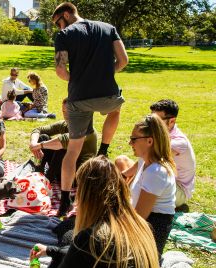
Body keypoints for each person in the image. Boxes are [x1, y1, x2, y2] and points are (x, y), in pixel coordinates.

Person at [52, 2, 128, 216]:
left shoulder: (64, 35)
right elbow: (123, 61)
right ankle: (103, 150)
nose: (59, 27)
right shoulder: (108, 28)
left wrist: (77, 79)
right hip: (108, 95)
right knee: (115, 109)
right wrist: (105, 74)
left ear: (66, 14)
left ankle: (65, 200)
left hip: (78, 98)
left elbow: (60, 70)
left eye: (58, 22)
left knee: (73, 151)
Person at [30, 156, 160, 268]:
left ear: (86, 195)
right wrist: (51, 251)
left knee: (66, 240)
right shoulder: (140, 225)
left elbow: (80, 256)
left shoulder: (91, 238)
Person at [115, 114, 176, 255]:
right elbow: (125, 173)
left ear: (149, 141)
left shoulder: (156, 172)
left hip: (147, 238)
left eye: (133, 139)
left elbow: (139, 218)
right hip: (140, 228)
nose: (130, 143)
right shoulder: (145, 160)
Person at [29, 98, 97, 183]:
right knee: (43, 137)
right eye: (64, 111)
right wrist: (33, 144)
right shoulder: (64, 125)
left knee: (62, 149)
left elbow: (63, 140)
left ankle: (48, 179)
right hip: (63, 167)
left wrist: (39, 145)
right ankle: (38, 172)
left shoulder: (87, 129)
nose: (66, 115)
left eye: (69, 111)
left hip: (77, 175)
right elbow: (38, 130)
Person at [150, 99, 196, 209]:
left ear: (171, 121)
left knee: (150, 176)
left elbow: (152, 161)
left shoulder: (178, 142)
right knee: (121, 160)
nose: (151, 124)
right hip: (165, 180)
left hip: (179, 191)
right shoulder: (161, 133)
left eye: (157, 120)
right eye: (151, 119)